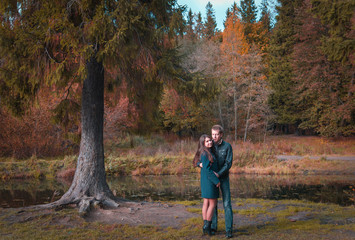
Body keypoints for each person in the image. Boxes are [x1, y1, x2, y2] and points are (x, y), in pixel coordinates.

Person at [193, 134, 220, 236]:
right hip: (209, 181)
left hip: (205, 180)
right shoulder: (205, 153)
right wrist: (216, 181)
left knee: (206, 203)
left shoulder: (205, 152)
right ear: (203, 143)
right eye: (207, 141)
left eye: (210, 141)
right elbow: (208, 170)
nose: (210, 142)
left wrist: (199, 164)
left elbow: (198, 162)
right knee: (212, 204)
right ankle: (207, 226)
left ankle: (206, 226)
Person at [211, 125, 233, 238]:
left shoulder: (227, 146)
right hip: (212, 180)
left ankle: (228, 230)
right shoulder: (209, 146)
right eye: (212, 134)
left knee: (226, 204)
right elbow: (201, 159)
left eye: (216, 134)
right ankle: (213, 227)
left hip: (223, 178)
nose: (214, 137)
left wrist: (219, 174)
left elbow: (228, 163)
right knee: (213, 204)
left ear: (221, 135)